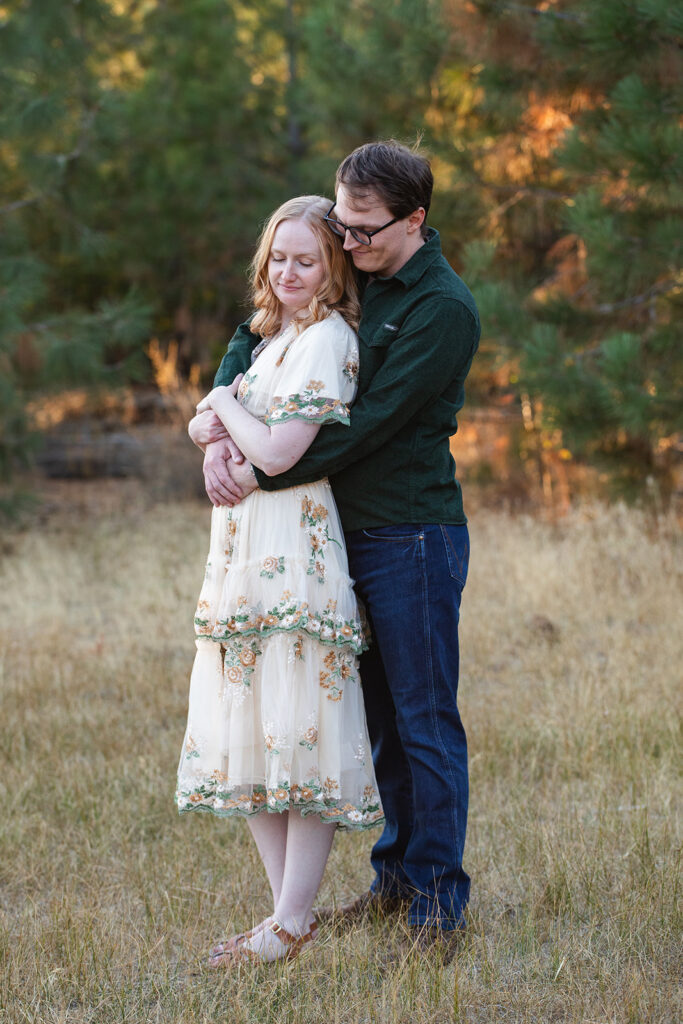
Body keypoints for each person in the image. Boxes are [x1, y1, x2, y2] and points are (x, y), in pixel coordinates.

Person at [193, 141, 480, 948]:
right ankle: (393, 880)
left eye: (359, 231)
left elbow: (366, 428)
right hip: (338, 538)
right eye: (340, 228)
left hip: (409, 533)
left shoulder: (440, 309)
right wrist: (218, 438)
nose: (344, 243)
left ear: (413, 219)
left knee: (423, 720)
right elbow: (253, 342)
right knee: (378, 719)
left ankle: (437, 904)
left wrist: (253, 469)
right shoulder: (356, 273)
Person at [176, 195, 383, 968]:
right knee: (254, 727)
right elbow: (205, 428)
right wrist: (216, 432)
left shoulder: (326, 340)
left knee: (299, 726)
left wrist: (223, 404)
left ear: (332, 266)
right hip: (242, 552)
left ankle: (293, 922)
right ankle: (281, 921)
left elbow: (277, 453)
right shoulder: (273, 338)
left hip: (292, 554)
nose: (288, 272)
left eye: (306, 259)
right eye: (279, 257)